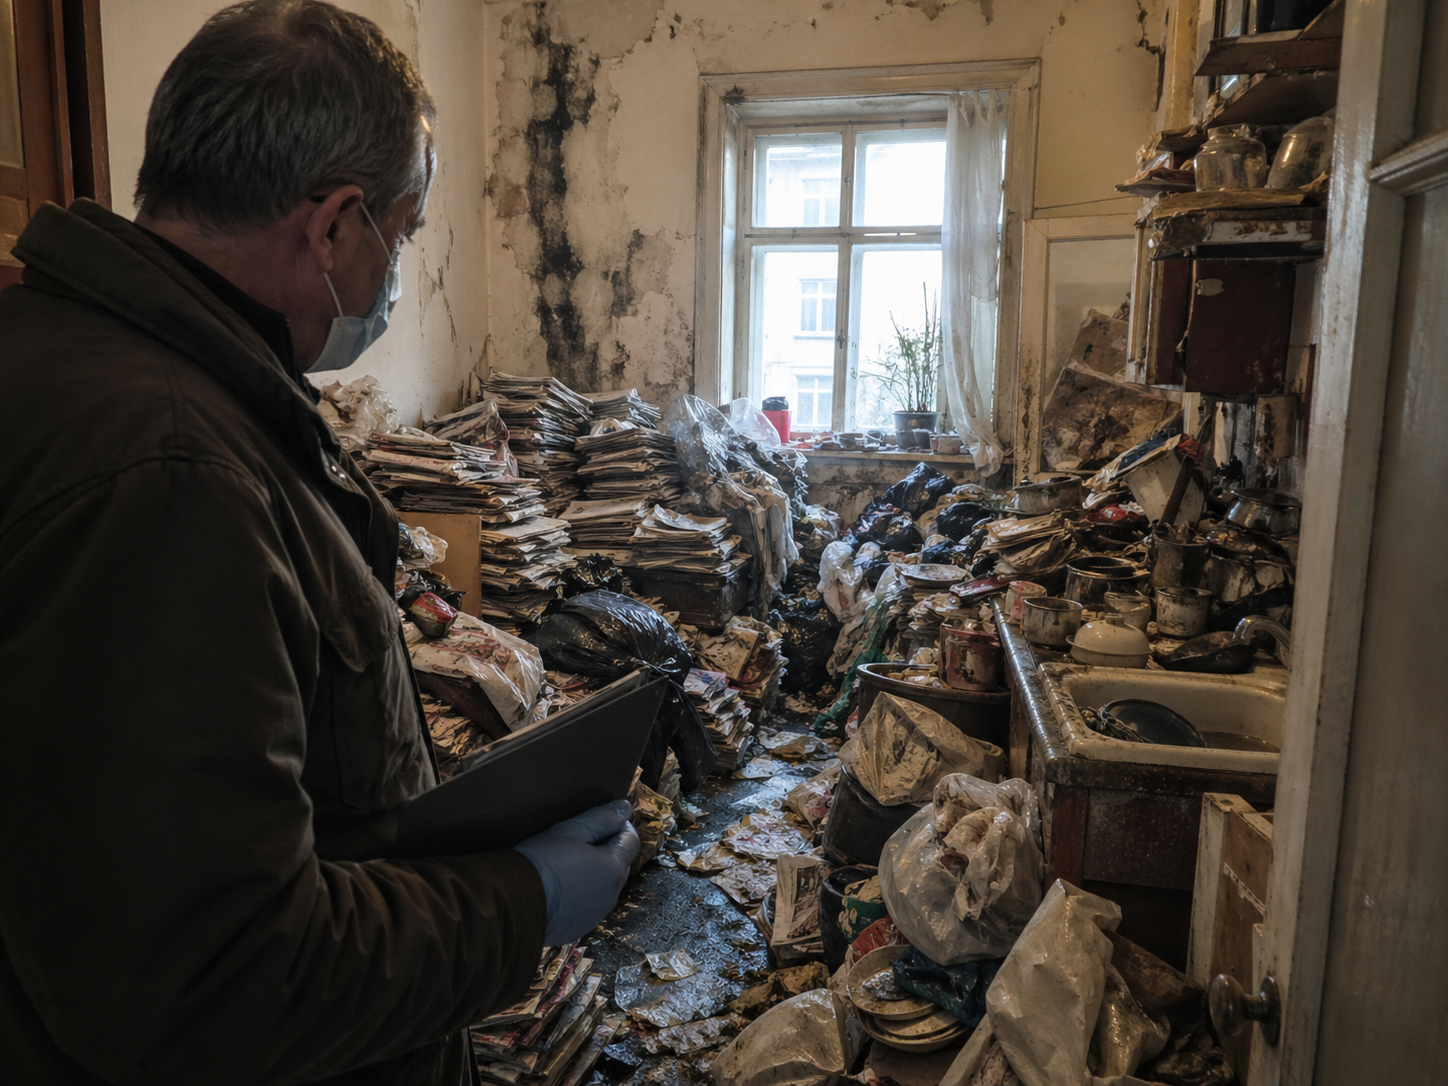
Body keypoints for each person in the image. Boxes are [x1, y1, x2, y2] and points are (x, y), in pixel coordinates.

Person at [0, 3, 638, 1083]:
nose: (396, 272)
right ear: (334, 226)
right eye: (405, 231)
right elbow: (211, 977)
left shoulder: (78, 370)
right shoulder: (171, 473)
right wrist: (515, 903)